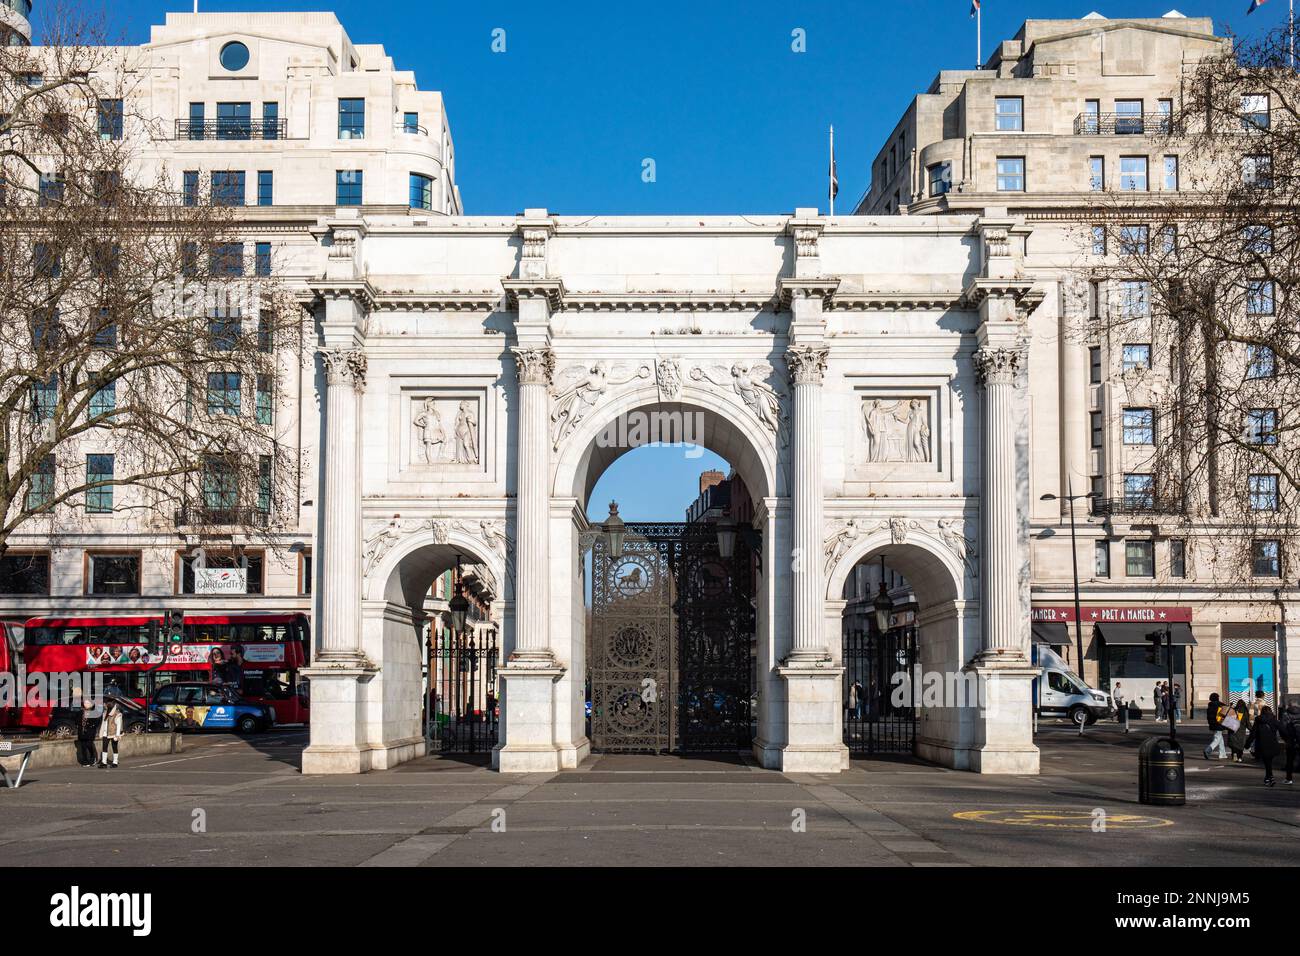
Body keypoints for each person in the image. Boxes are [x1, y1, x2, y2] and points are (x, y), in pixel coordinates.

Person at [1248, 705, 1284, 787]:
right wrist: (1288, 739)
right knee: (1269, 762)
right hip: (1272, 744)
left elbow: (1253, 734)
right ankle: (1268, 778)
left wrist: (1247, 744)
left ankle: (1270, 777)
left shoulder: (1258, 720)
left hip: (1262, 745)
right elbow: (1283, 730)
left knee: (1267, 762)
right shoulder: (1274, 720)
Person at [76, 693, 100, 768]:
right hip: (82, 732)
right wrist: (79, 726)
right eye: (85, 703)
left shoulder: (94, 713)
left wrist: (91, 726)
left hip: (90, 732)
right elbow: (76, 721)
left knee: (89, 745)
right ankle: (85, 761)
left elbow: (96, 722)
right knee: (83, 746)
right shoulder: (80, 712)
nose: (86, 704)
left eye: (88, 703)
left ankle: (93, 759)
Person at [98, 698, 124, 769]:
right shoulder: (105, 712)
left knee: (114, 747)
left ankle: (115, 762)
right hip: (105, 733)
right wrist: (101, 732)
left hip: (114, 733)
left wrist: (117, 735)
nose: (104, 705)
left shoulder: (117, 714)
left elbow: (119, 725)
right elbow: (103, 724)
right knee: (104, 747)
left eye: (105, 703)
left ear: (109, 704)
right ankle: (104, 762)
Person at [1280, 700, 1300, 785]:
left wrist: (1285, 739)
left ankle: (1289, 779)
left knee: (1290, 760)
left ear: (1289, 705)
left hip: (1291, 741)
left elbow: (1283, 728)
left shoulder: (1286, 714)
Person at [1204, 693, 1228, 759]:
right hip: (1219, 724)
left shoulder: (1210, 705)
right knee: (1217, 738)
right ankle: (1208, 750)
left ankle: (1222, 754)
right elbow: (1226, 711)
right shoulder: (1220, 705)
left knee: (1220, 738)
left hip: (1212, 724)